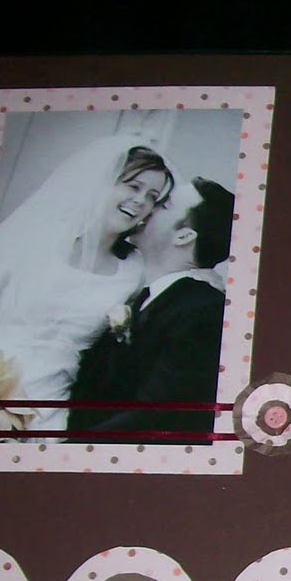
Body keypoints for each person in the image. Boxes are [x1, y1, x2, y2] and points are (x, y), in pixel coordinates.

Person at [0, 134, 174, 433]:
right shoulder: (35, 238)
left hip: (52, 408)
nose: (141, 201)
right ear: (104, 181)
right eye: (133, 186)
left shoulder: (132, 271)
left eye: (152, 196)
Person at [67, 177, 234, 440]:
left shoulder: (205, 311)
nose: (147, 207)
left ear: (184, 236)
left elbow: (156, 414)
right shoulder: (141, 296)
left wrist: (68, 450)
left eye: (163, 205)